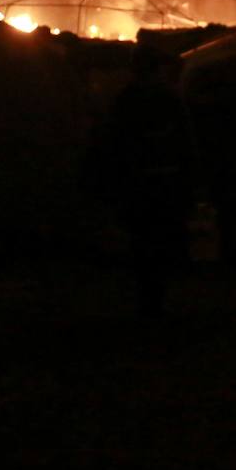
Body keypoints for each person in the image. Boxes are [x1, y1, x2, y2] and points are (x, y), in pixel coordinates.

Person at [97, 44, 196, 318]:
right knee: (159, 244)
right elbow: (185, 143)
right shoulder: (167, 99)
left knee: (142, 244)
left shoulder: (127, 99)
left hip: (139, 184)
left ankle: (147, 301)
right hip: (161, 183)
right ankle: (154, 301)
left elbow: (112, 142)